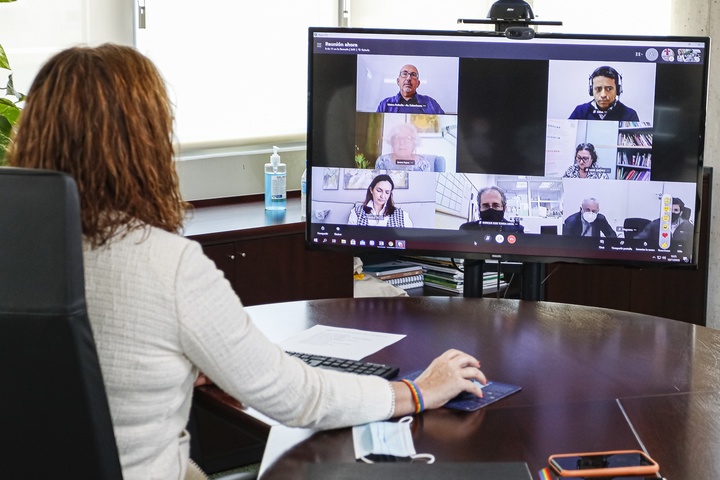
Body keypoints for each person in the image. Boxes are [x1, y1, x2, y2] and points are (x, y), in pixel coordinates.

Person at [7, 44, 486, 480]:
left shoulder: (13, 246)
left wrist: (171, 361)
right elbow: (297, 398)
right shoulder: (167, 264)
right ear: (145, 146)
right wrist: (418, 392)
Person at [569, 66, 639, 121]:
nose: (603, 95)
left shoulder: (629, 114)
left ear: (617, 90)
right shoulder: (580, 111)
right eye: (598, 89)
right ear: (591, 90)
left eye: (609, 89)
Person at [348, 174, 413, 227]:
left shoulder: (402, 215)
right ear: (371, 190)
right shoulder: (356, 212)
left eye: (387, 192)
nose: (382, 196)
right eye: (379, 190)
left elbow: (409, 238)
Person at [376, 64, 445, 114]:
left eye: (413, 75)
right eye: (404, 74)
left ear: (418, 83)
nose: (408, 78)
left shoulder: (430, 103)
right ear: (398, 81)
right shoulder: (385, 104)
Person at [375, 123, 443, 172]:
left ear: (414, 143)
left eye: (408, 138)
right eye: (397, 137)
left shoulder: (423, 164)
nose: (402, 142)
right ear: (391, 142)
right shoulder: (382, 161)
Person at [459, 186, 524, 233]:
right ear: (479, 208)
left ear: (504, 208)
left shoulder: (516, 230)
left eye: (496, 205)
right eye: (485, 206)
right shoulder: (466, 229)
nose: (491, 210)